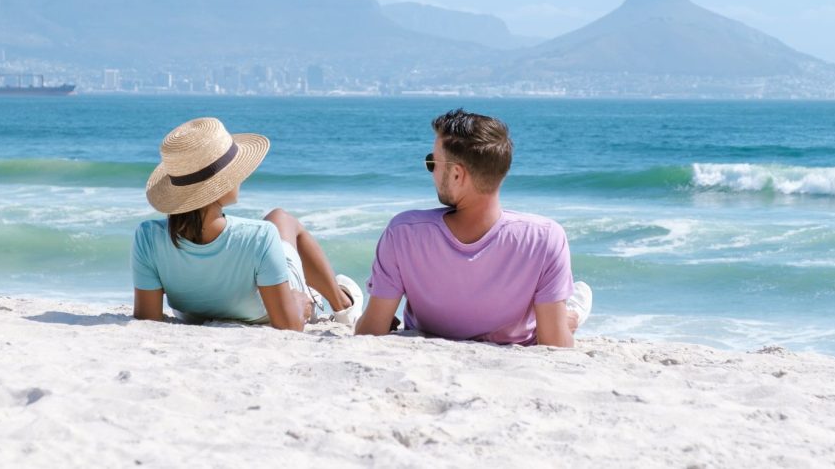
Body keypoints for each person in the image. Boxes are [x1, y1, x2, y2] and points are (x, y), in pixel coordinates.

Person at [355, 109, 591, 347]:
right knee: (559, 321)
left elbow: (369, 332)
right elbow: (555, 344)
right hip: (521, 339)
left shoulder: (404, 232)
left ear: (457, 174)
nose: (431, 171)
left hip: (427, 333)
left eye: (432, 162)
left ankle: (569, 315)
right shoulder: (544, 237)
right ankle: (571, 315)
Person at [132, 117, 362, 331]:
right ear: (219, 186)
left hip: (192, 316)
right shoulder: (259, 236)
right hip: (268, 310)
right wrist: (299, 301)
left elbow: (148, 318)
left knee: (277, 224)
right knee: (281, 218)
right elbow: (289, 326)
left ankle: (337, 298)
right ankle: (343, 303)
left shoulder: (147, 237)